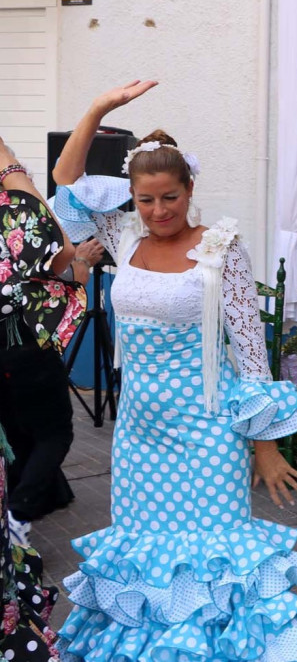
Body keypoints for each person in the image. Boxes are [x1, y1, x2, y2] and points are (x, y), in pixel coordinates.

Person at [49, 81, 297, 661]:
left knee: (217, 555)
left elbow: (251, 352)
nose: (159, 210)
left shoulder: (220, 249)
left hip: (209, 430)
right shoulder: (121, 238)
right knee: (145, 553)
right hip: (140, 433)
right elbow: (66, 184)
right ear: (131, 199)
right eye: (145, 199)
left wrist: (264, 446)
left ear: (190, 190)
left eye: (170, 197)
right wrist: (99, 109)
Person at [0, 144, 83, 661]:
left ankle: (33, 499)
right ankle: (21, 510)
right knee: (56, 430)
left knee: (17, 429)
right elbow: (61, 252)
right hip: (23, 342)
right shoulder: (14, 213)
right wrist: (10, 167)